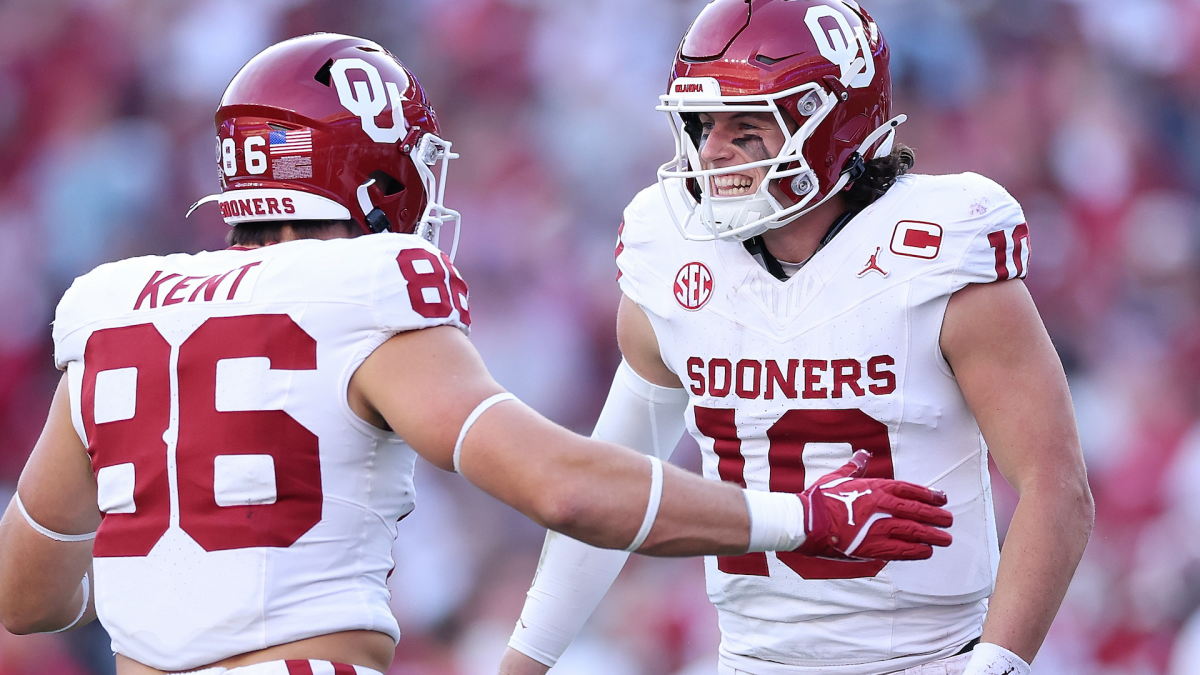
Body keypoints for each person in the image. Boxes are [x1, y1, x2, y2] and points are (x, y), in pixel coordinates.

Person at [0, 33, 956, 675]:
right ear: (374, 172)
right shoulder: (365, 289)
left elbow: (26, 594)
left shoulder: (113, 308)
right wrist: (803, 515)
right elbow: (565, 489)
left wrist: (177, 577)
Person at [498, 2, 1094, 675]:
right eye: (704, 123)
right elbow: (610, 492)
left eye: (746, 127)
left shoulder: (935, 254)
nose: (711, 150)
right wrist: (523, 664)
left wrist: (996, 665)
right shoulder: (669, 258)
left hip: (926, 660)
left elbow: (1057, 486)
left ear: (832, 127)